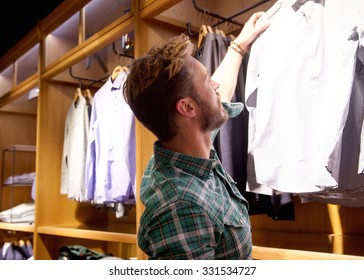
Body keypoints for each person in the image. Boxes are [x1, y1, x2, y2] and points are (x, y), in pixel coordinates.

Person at [123, 12, 270, 260]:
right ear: (188, 108)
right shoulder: (181, 207)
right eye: (206, 80)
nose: (215, 84)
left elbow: (220, 92)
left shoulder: (190, 144)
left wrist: (239, 45)